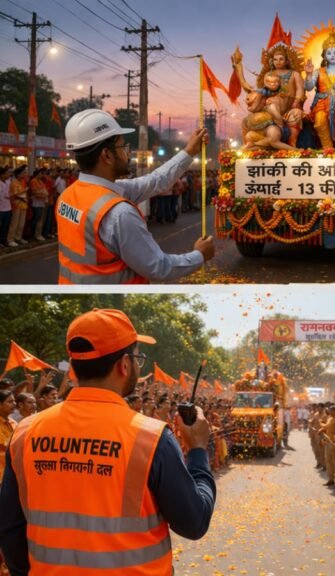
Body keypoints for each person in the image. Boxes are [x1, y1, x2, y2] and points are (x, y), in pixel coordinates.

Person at [0, 309, 216, 575]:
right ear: (124, 365)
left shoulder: (24, 433)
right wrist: (197, 450)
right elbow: (194, 522)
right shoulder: (151, 437)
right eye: (138, 358)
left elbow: (10, 528)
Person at [57, 109, 214, 284]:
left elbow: (155, 181)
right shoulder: (119, 213)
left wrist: (189, 152)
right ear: (107, 156)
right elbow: (158, 267)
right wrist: (199, 255)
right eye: (123, 147)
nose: (128, 153)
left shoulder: (68, 195)